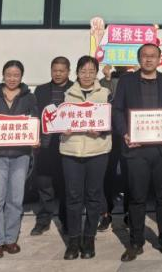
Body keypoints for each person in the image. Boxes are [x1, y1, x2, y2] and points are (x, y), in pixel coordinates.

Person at [112, 43, 162, 262]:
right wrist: (124, 132)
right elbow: (117, 110)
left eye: (153, 56)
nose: (149, 59)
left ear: (160, 59)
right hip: (136, 150)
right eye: (144, 56)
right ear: (138, 58)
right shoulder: (126, 81)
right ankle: (136, 242)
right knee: (136, 197)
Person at [0, 60, 37, 259]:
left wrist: (35, 139)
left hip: (20, 155)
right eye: (9, 75)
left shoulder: (29, 98)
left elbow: (35, 122)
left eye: (16, 75)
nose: (12, 78)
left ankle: (10, 239)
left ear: (21, 77)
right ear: (3, 75)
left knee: (15, 199)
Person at [60, 56, 111, 260]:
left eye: (91, 71)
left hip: (97, 151)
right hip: (71, 151)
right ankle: (73, 240)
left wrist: (102, 130)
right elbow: (55, 121)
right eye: (83, 71)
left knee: (93, 196)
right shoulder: (66, 94)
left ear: (96, 73)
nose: (87, 75)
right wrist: (62, 128)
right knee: (73, 197)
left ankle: (89, 238)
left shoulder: (105, 93)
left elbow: (113, 120)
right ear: (77, 73)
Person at [31, 56, 73, 236]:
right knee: (44, 184)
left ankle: (66, 221)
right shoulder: (40, 90)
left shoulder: (74, 89)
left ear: (68, 72)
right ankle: (43, 220)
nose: (58, 74)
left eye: (61, 71)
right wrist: (35, 137)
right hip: (45, 146)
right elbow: (34, 116)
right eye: (55, 70)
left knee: (65, 186)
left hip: (67, 145)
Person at [98, 65, 130, 231]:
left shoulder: (135, 78)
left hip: (129, 134)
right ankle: (106, 213)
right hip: (109, 134)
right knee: (107, 175)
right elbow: (103, 99)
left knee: (129, 175)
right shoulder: (106, 80)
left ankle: (129, 213)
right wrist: (107, 78)